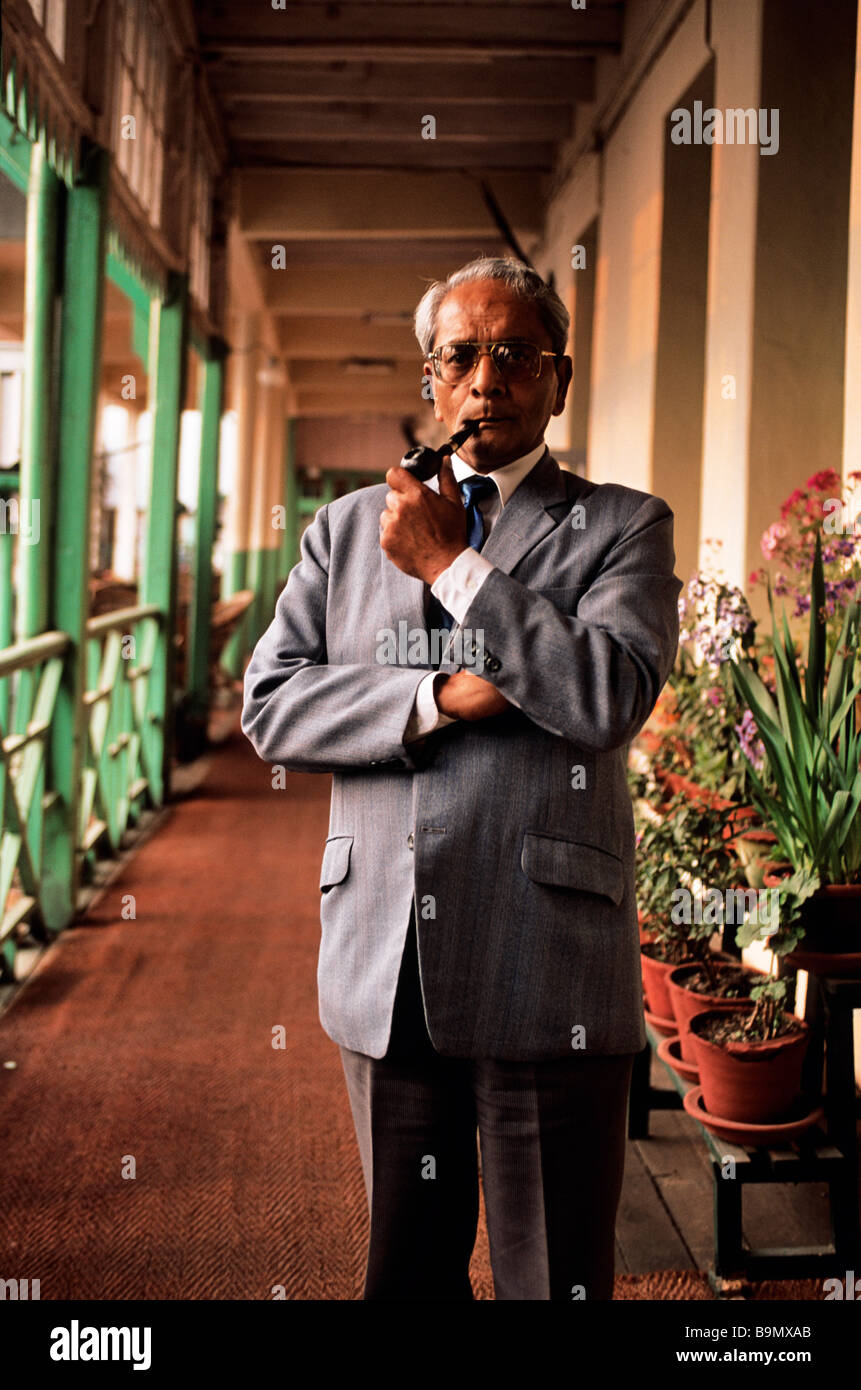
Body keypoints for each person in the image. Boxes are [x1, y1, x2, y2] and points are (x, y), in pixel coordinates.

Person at [242, 257, 682, 1301]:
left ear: (559, 382)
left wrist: (454, 566)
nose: (488, 378)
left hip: (549, 959)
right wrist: (433, 699)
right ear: (430, 377)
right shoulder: (347, 529)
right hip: (385, 963)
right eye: (463, 356)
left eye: (517, 355)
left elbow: (607, 692)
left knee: (554, 1277)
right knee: (404, 1273)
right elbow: (271, 703)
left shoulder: (624, 524)